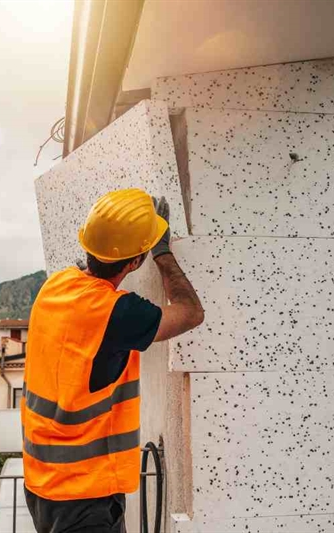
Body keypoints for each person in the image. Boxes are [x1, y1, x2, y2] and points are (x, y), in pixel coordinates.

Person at [21, 188, 204, 533]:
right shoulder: (117, 313)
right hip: (84, 498)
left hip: (42, 483)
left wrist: (128, 231)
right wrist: (162, 252)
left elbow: (89, 267)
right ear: (136, 262)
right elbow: (191, 313)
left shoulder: (56, 286)